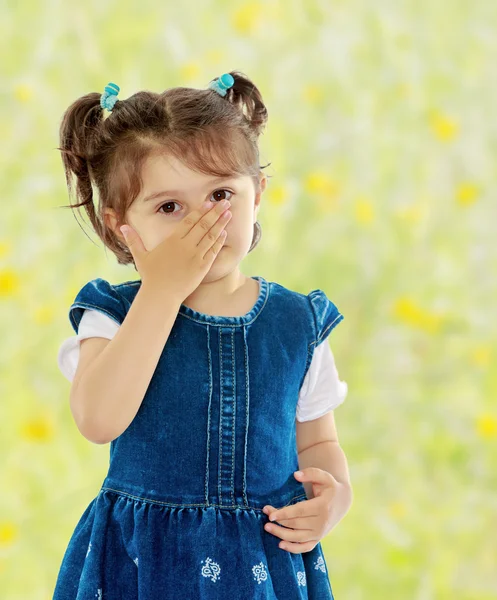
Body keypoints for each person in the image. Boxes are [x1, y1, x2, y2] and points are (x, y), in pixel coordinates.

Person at [53, 71, 351, 599]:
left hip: (262, 561)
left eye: (221, 194)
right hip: (143, 563)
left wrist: (334, 497)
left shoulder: (296, 324)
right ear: (119, 224)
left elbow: (318, 441)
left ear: (257, 193)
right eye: (170, 207)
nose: (202, 222)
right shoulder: (113, 315)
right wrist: (161, 293)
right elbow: (98, 420)